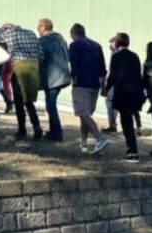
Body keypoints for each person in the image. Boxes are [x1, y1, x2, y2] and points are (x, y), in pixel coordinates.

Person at [67, 23, 108, 154]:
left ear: (74, 34)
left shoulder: (74, 45)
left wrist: (74, 81)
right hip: (95, 84)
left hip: (82, 84)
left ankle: (100, 139)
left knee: (82, 113)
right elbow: (103, 68)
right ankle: (83, 144)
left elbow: (75, 66)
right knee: (85, 114)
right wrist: (103, 86)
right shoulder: (97, 45)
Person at [104, 32, 143, 161]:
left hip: (123, 93)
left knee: (126, 123)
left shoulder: (116, 57)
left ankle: (132, 151)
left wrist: (106, 88)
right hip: (135, 93)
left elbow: (113, 76)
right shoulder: (135, 56)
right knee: (129, 120)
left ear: (117, 43)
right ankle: (132, 149)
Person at [0, 23, 43, 138]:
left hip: (20, 68)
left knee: (18, 100)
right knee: (28, 100)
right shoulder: (31, 33)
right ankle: (36, 126)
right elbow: (41, 54)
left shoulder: (10, 33)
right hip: (33, 68)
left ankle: (22, 130)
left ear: (7, 29)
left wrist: (1, 32)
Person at [38, 19, 72, 142]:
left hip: (52, 78)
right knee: (50, 104)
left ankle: (57, 132)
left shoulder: (43, 41)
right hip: (63, 76)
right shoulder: (61, 39)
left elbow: (39, 58)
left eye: (39, 27)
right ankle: (54, 130)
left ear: (43, 27)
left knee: (51, 105)